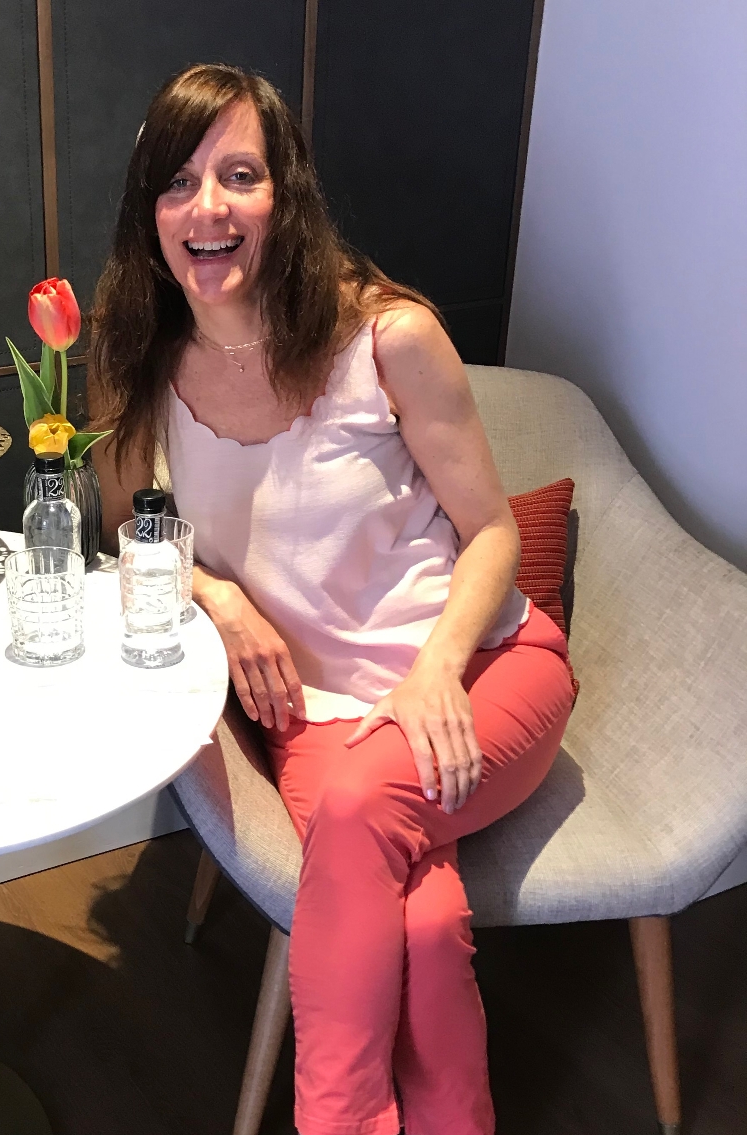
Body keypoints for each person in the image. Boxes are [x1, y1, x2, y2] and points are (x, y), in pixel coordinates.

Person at [88, 64, 574, 1135]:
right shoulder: (137, 368)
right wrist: (215, 594)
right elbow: (132, 539)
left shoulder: (386, 338)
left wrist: (440, 668)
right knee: (427, 924)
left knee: (362, 813)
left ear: (286, 195)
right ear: (150, 215)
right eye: (178, 182)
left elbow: (492, 530)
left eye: (240, 175)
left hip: (483, 672)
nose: (207, 207)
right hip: (316, 717)